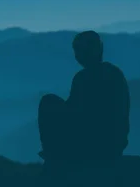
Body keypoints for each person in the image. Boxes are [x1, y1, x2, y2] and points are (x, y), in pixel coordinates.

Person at [38, 30, 130, 170]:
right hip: (114, 144)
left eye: (79, 50)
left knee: (48, 102)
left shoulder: (84, 78)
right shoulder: (115, 73)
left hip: (92, 144)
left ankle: (53, 155)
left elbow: (76, 113)